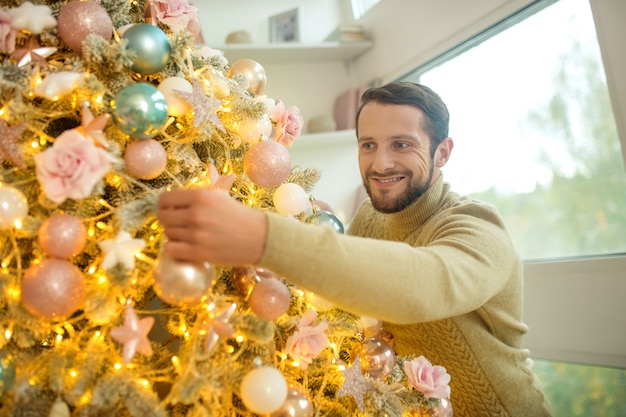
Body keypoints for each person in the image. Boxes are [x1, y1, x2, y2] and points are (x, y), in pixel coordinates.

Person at [157, 81, 553, 416]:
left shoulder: (477, 228)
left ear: (443, 152)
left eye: (401, 144)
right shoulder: (370, 218)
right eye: (368, 145)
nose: (380, 164)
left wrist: (263, 235)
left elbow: (419, 284)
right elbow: (354, 287)